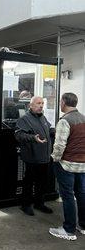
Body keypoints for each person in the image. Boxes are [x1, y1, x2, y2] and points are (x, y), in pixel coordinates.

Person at [49, 93, 85, 241]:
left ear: (63, 102)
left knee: (68, 196)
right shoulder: (83, 118)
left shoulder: (65, 121)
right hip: (82, 165)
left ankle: (68, 229)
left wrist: (54, 159)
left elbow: (59, 145)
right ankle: (82, 226)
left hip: (67, 164)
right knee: (81, 194)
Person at [15, 96, 53, 216]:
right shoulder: (25, 119)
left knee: (42, 182)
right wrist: (33, 138)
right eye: (38, 103)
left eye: (42, 103)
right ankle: (25, 205)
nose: (41, 105)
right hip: (32, 157)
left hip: (45, 157)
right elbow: (19, 135)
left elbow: (49, 129)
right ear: (30, 106)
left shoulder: (43, 118)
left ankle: (39, 203)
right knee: (29, 182)